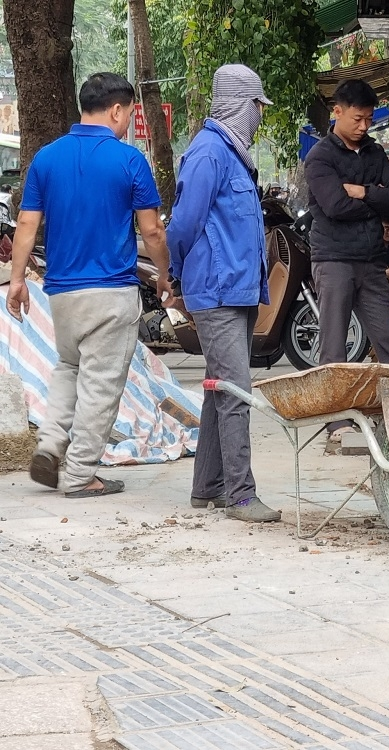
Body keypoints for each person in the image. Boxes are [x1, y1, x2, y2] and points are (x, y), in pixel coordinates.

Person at [5, 72, 172, 497]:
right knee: (100, 383)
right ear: (116, 110)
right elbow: (151, 231)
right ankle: (80, 474)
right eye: (129, 113)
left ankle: (50, 443)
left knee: (68, 366)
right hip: (111, 292)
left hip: (61, 292)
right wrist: (166, 274)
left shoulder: (46, 158)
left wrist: (19, 279)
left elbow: (26, 222)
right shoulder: (129, 161)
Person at [167, 64, 280, 523]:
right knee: (236, 389)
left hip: (237, 290)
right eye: (257, 106)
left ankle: (207, 487)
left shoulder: (233, 154)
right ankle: (241, 495)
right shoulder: (209, 153)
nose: (260, 114)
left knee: (219, 389)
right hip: (215, 292)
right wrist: (179, 277)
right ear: (240, 104)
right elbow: (181, 227)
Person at [304, 79, 389, 448]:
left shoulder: (375, 152)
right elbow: (333, 206)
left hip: (371, 260)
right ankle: (336, 423)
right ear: (338, 112)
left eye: (369, 120)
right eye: (358, 119)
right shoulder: (320, 157)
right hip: (333, 259)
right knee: (335, 344)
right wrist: (376, 205)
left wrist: (363, 192)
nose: (364, 126)